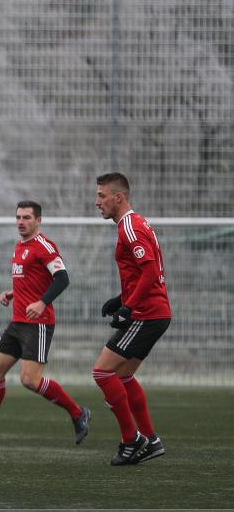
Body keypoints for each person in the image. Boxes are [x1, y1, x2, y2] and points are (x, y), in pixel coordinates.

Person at [0, 201, 90, 446]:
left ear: (38, 220)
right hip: (17, 322)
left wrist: (41, 303)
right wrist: (13, 293)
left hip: (38, 323)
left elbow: (62, 279)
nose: (21, 221)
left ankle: (77, 412)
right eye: (18, 217)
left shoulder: (44, 246)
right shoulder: (20, 246)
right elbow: (32, 281)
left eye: (27, 217)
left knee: (29, 379)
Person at [92, 173, 171, 466]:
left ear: (118, 197)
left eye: (101, 196)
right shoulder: (134, 224)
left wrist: (129, 307)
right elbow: (142, 272)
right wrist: (121, 299)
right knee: (123, 376)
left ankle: (132, 440)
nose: (97, 202)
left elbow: (149, 272)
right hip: (154, 312)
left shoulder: (130, 227)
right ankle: (150, 440)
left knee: (102, 373)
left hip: (147, 313)